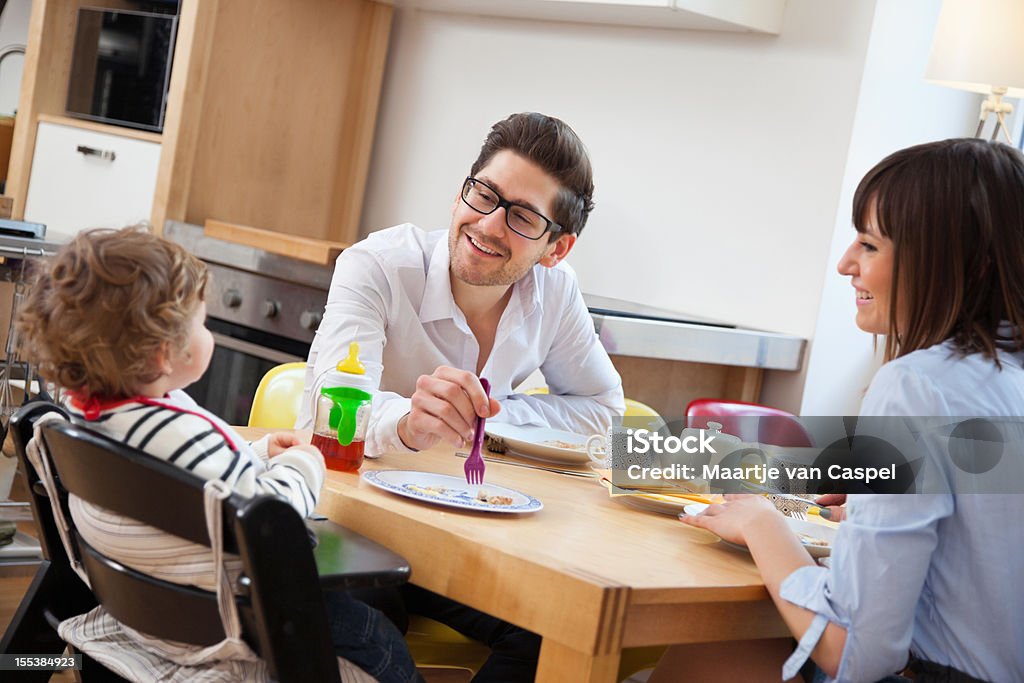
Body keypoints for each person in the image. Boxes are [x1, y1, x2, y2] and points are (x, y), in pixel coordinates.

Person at [659, 138, 1024, 682]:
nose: (845, 264)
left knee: (698, 658)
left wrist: (762, 525)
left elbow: (854, 652)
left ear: (958, 264)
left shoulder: (916, 385)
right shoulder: (1006, 379)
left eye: (870, 246)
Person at [297, 112, 625, 682]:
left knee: (556, 635)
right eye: (485, 195)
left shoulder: (556, 294)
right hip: (349, 527)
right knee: (368, 628)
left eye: (522, 217)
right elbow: (330, 409)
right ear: (461, 193)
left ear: (557, 248)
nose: (489, 224)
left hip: (466, 535)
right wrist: (409, 420)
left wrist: (490, 416)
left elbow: (604, 411)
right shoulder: (376, 266)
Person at [17, 227, 422, 683]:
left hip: (155, 611)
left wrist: (258, 451)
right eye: (202, 323)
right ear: (165, 353)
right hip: (234, 621)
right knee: (382, 644)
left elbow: (188, 473)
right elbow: (275, 515)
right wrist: (305, 463)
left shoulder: (89, 414)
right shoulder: (174, 431)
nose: (207, 331)